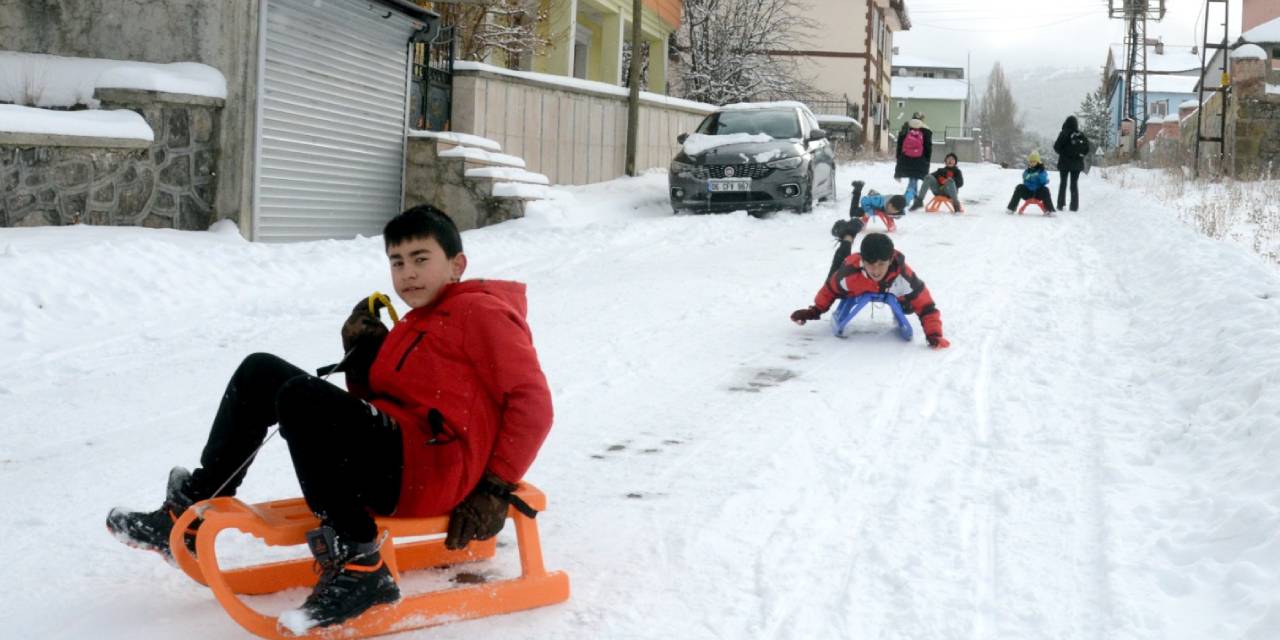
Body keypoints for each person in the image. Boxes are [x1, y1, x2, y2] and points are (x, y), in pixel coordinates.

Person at [106, 205, 554, 631]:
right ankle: (185, 513)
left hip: (430, 473)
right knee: (260, 370)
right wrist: (360, 361)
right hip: (399, 457)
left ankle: (361, 565)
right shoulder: (417, 321)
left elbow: (534, 404)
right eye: (397, 262)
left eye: (421, 258)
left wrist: (495, 487)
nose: (408, 273)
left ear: (457, 264)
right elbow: (379, 408)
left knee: (301, 396)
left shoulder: (482, 312)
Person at [790, 232, 950, 349]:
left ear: (890, 260)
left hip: (894, 290)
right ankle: (847, 238)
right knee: (835, 272)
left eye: (881, 264)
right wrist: (814, 311)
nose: (876, 270)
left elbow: (927, 306)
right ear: (862, 261)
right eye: (870, 264)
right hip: (854, 284)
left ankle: (903, 303)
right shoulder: (849, 274)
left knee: (909, 305)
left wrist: (934, 334)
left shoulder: (903, 276)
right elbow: (829, 290)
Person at [829, 180, 905, 276]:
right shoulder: (879, 200)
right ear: (890, 204)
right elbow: (864, 200)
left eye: (895, 211)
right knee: (853, 213)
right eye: (892, 210)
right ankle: (858, 189)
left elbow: (899, 212)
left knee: (883, 212)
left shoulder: (893, 205)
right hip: (868, 205)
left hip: (878, 208)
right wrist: (869, 211)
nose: (893, 212)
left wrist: (895, 216)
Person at [894, 112, 933, 210]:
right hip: (920, 159)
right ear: (922, 120)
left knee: (913, 179)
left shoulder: (906, 128)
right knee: (913, 179)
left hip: (906, 158)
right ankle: (907, 201)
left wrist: (899, 157)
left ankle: (913, 199)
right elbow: (928, 148)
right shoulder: (926, 130)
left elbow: (900, 143)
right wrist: (927, 160)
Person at [1052, 115, 1091, 211]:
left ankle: (1060, 204)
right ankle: (1074, 206)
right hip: (1077, 164)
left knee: (1063, 184)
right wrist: (1078, 154)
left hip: (1064, 163)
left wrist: (1064, 153)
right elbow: (1087, 149)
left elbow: (1056, 147)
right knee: (1074, 184)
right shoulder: (1080, 135)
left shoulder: (1063, 133)